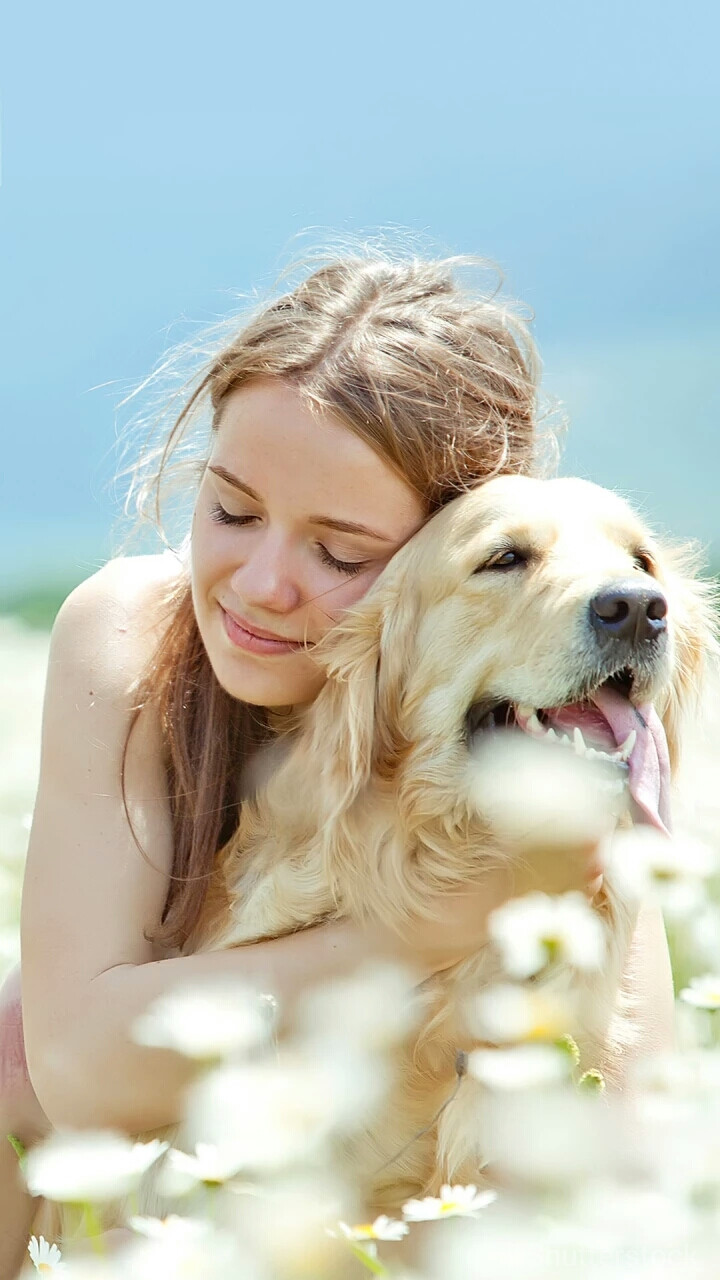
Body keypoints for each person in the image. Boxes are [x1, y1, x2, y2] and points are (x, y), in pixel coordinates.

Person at [0, 249, 675, 1273]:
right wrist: (429, 924)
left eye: (343, 554)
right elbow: (80, 1068)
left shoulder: (547, 725)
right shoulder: (133, 635)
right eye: (230, 510)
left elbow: (638, 1142)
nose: (263, 583)